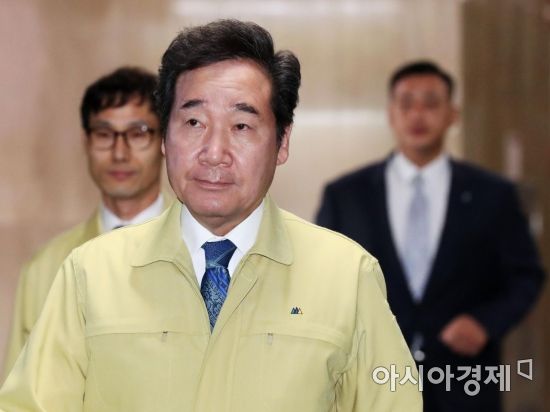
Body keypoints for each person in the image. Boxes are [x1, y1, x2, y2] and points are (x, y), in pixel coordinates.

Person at [0, 20, 421, 411]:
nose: (214, 152)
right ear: (164, 137)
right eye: (194, 122)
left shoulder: (347, 276)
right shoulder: (90, 274)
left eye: (241, 126)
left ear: (282, 142)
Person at [316, 61, 545, 411]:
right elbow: (323, 279)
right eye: (406, 103)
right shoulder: (346, 195)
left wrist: (486, 323)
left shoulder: (493, 194)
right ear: (391, 114)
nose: (418, 115)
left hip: (465, 381)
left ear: (453, 114)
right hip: (372, 380)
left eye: (431, 103)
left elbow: (525, 275)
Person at [2, 66, 171, 378]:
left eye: (138, 134)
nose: (119, 153)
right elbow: (20, 390)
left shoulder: (204, 251)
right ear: (86, 142)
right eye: (104, 134)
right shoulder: (45, 268)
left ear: (165, 140)